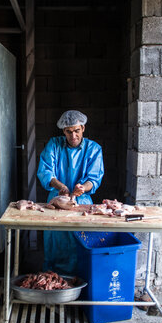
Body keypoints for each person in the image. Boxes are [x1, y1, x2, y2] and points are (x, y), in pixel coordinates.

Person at [37, 110, 104, 274]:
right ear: (63, 131)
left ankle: (80, 280)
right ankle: (54, 279)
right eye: (69, 131)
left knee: (80, 241)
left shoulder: (93, 149)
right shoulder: (54, 145)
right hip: (56, 200)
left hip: (82, 202)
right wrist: (62, 187)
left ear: (83, 128)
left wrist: (83, 187)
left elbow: (94, 178)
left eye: (76, 131)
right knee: (56, 242)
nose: (73, 135)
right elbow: (45, 171)